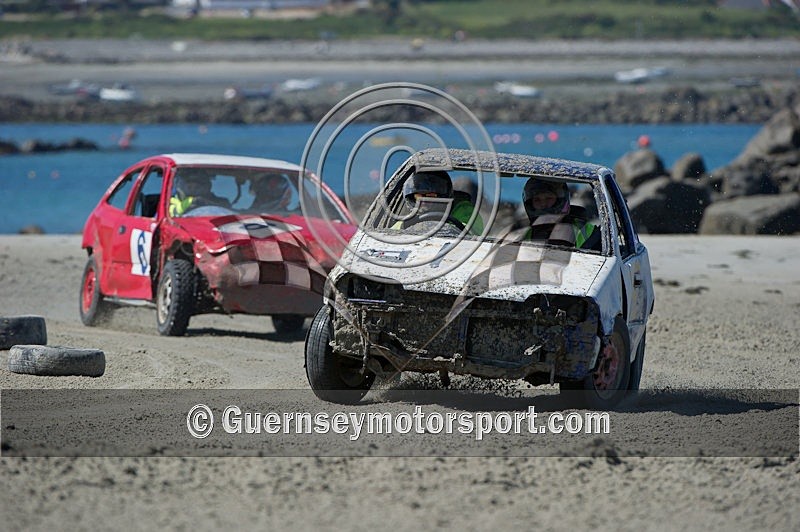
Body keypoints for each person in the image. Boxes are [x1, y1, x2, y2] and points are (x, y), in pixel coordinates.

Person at [522, 178, 599, 249]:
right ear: (530, 204)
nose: (543, 204)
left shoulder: (586, 232)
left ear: (560, 200)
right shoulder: (524, 234)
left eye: (549, 198)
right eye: (537, 200)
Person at [392, 170, 460, 230]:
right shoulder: (403, 225)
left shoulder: (461, 213)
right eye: (418, 196)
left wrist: (454, 228)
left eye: (430, 196)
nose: (423, 201)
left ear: (443, 197)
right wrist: (404, 228)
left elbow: (469, 232)